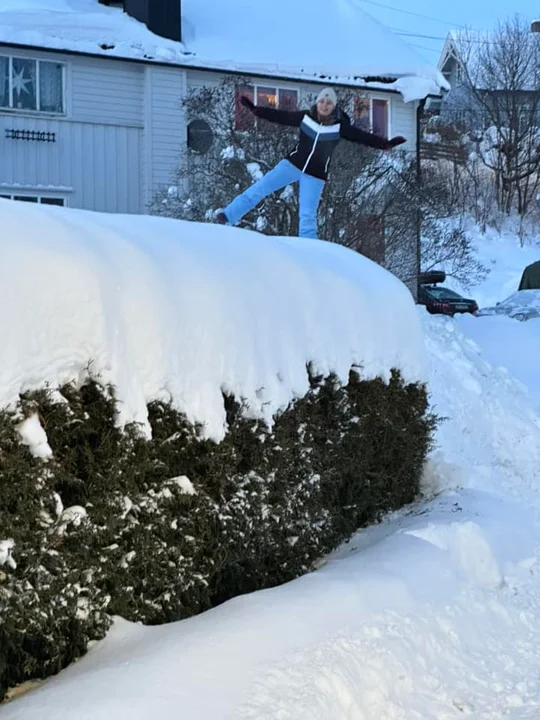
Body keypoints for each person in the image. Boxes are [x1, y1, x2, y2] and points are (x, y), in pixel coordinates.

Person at [215, 87, 406, 239]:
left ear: (334, 106)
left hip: (315, 174)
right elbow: (280, 116)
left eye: (329, 102)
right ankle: (227, 215)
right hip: (292, 164)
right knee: (260, 188)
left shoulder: (340, 127)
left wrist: (386, 145)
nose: (324, 105)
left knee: (307, 215)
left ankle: (309, 253)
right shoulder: (305, 117)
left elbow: (363, 137)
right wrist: (256, 110)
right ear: (317, 102)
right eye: (322, 101)